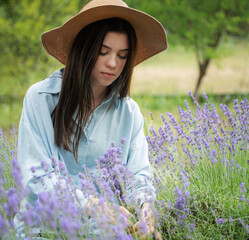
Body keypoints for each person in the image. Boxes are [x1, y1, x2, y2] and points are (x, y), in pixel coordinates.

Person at [15, 0, 167, 238]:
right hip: (43, 228)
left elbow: (139, 174)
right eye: (103, 51)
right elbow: (37, 178)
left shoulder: (128, 112)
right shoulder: (41, 99)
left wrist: (146, 209)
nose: (112, 63)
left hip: (103, 230)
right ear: (84, 49)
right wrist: (91, 205)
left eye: (122, 55)